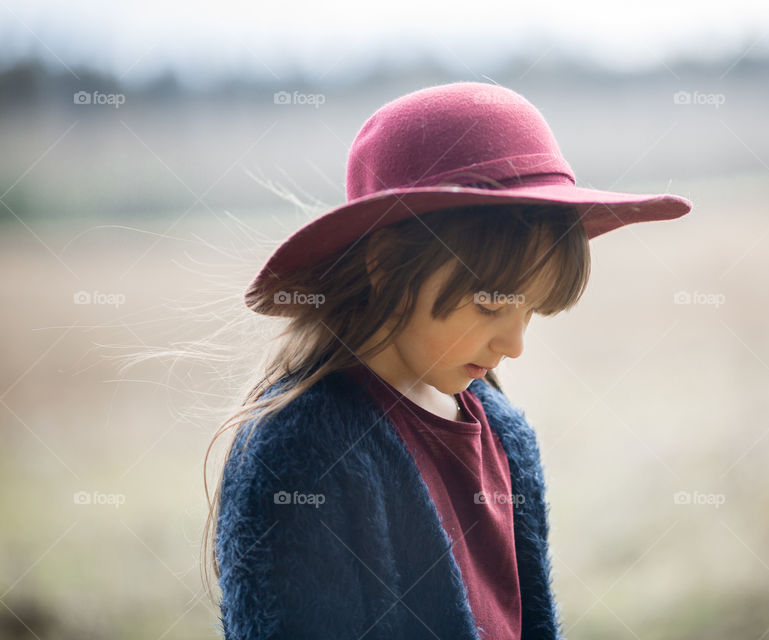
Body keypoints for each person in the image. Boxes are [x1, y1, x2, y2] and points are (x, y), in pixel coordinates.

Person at [206, 81, 692, 639]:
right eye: (490, 304)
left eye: (532, 310)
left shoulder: (504, 434)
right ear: (386, 263)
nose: (514, 346)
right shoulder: (302, 449)